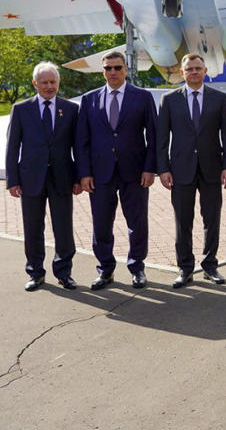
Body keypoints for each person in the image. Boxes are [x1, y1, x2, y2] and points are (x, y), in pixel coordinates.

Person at [76, 51, 157, 289]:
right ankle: (105, 270)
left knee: (137, 222)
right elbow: (82, 141)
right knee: (101, 223)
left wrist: (150, 168)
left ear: (126, 69)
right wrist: (85, 173)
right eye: (108, 68)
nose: (112, 72)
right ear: (102, 71)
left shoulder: (142, 97)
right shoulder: (89, 99)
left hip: (135, 172)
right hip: (99, 174)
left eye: (117, 67)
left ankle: (137, 268)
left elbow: (153, 135)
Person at [156, 54, 226, 288]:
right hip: (180, 170)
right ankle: (185, 268)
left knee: (212, 219)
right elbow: (162, 138)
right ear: (182, 72)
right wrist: (163, 169)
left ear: (205, 70)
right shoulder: (169, 100)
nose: (194, 72)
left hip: (212, 168)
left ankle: (210, 265)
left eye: (198, 68)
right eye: (189, 68)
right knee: (183, 220)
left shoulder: (219, 99)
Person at [5, 62, 81, 291]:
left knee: (63, 227)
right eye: (45, 82)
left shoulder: (70, 109)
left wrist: (78, 178)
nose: (49, 86)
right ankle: (35, 272)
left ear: (59, 82)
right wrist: (12, 180)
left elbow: (78, 147)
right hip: (30, 178)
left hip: (62, 178)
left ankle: (64, 272)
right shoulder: (21, 109)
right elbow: (12, 147)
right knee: (33, 227)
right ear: (34, 83)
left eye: (53, 82)